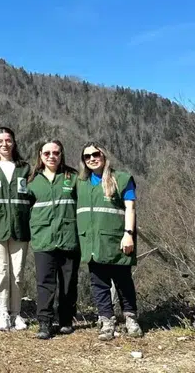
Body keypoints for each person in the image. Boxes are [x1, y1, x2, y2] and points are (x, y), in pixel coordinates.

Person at [77, 142, 143, 340]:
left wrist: (128, 233)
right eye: (87, 156)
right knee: (99, 284)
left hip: (116, 241)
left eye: (95, 154)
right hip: (92, 244)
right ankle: (107, 320)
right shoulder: (82, 183)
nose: (91, 159)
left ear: (104, 155)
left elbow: (130, 207)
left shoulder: (121, 179)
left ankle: (131, 318)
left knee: (123, 282)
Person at [27, 140, 79, 340]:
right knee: (45, 283)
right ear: (40, 155)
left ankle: (66, 320)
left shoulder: (73, 177)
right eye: (47, 153)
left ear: (61, 154)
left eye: (55, 152)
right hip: (43, 239)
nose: (51, 156)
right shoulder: (32, 181)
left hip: (69, 238)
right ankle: (45, 323)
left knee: (68, 283)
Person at [0, 127, 31, 332]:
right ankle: (3, 313)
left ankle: (16, 314)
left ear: (14, 142)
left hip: (19, 226)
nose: (4, 144)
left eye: (8, 140)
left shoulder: (25, 168)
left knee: (17, 273)